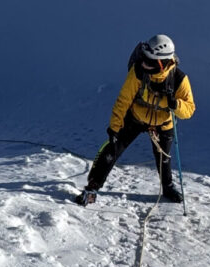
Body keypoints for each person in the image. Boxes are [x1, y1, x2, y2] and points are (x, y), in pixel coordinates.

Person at [77, 34, 194, 206]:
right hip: (136, 118)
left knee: (164, 159)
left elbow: (189, 109)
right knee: (112, 149)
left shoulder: (179, 79)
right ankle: (93, 186)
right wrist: (114, 128)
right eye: (145, 59)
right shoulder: (138, 72)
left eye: (151, 61)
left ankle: (168, 188)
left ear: (164, 61)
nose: (145, 64)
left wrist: (175, 104)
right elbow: (123, 100)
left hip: (163, 124)